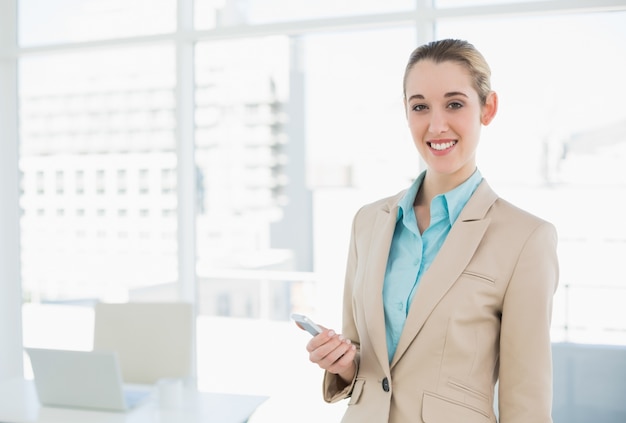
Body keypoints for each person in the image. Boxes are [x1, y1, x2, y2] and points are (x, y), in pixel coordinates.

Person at [300, 38, 559, 423]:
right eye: (420, 106)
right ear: (406, 114)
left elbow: (527, 402)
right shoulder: (368, 222)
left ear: (487, 109)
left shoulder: (525, 239)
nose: (436, 125)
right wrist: (344, 362)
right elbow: (366, 363)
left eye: (454, 104)